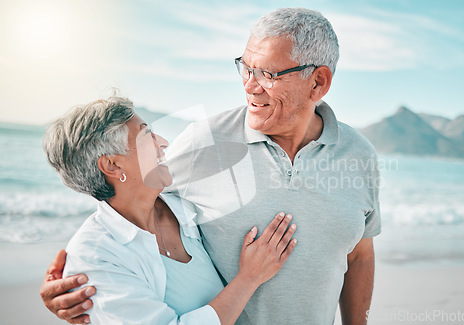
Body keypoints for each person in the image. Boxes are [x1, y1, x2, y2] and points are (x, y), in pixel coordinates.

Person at [40, 7, 381, 325]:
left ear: (318, 82)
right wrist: (78, 287)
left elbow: (360, 254)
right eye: (246, 68)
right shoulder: (204, 142)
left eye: (267, 74)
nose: (249, 86)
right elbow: (124, 196)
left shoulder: (360, 156)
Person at [41, 96, 297, 324]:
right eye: (146, 136)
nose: (163, 143)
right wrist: (249, 278)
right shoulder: (95, 257)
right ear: (112, 165)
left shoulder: (184, 205)